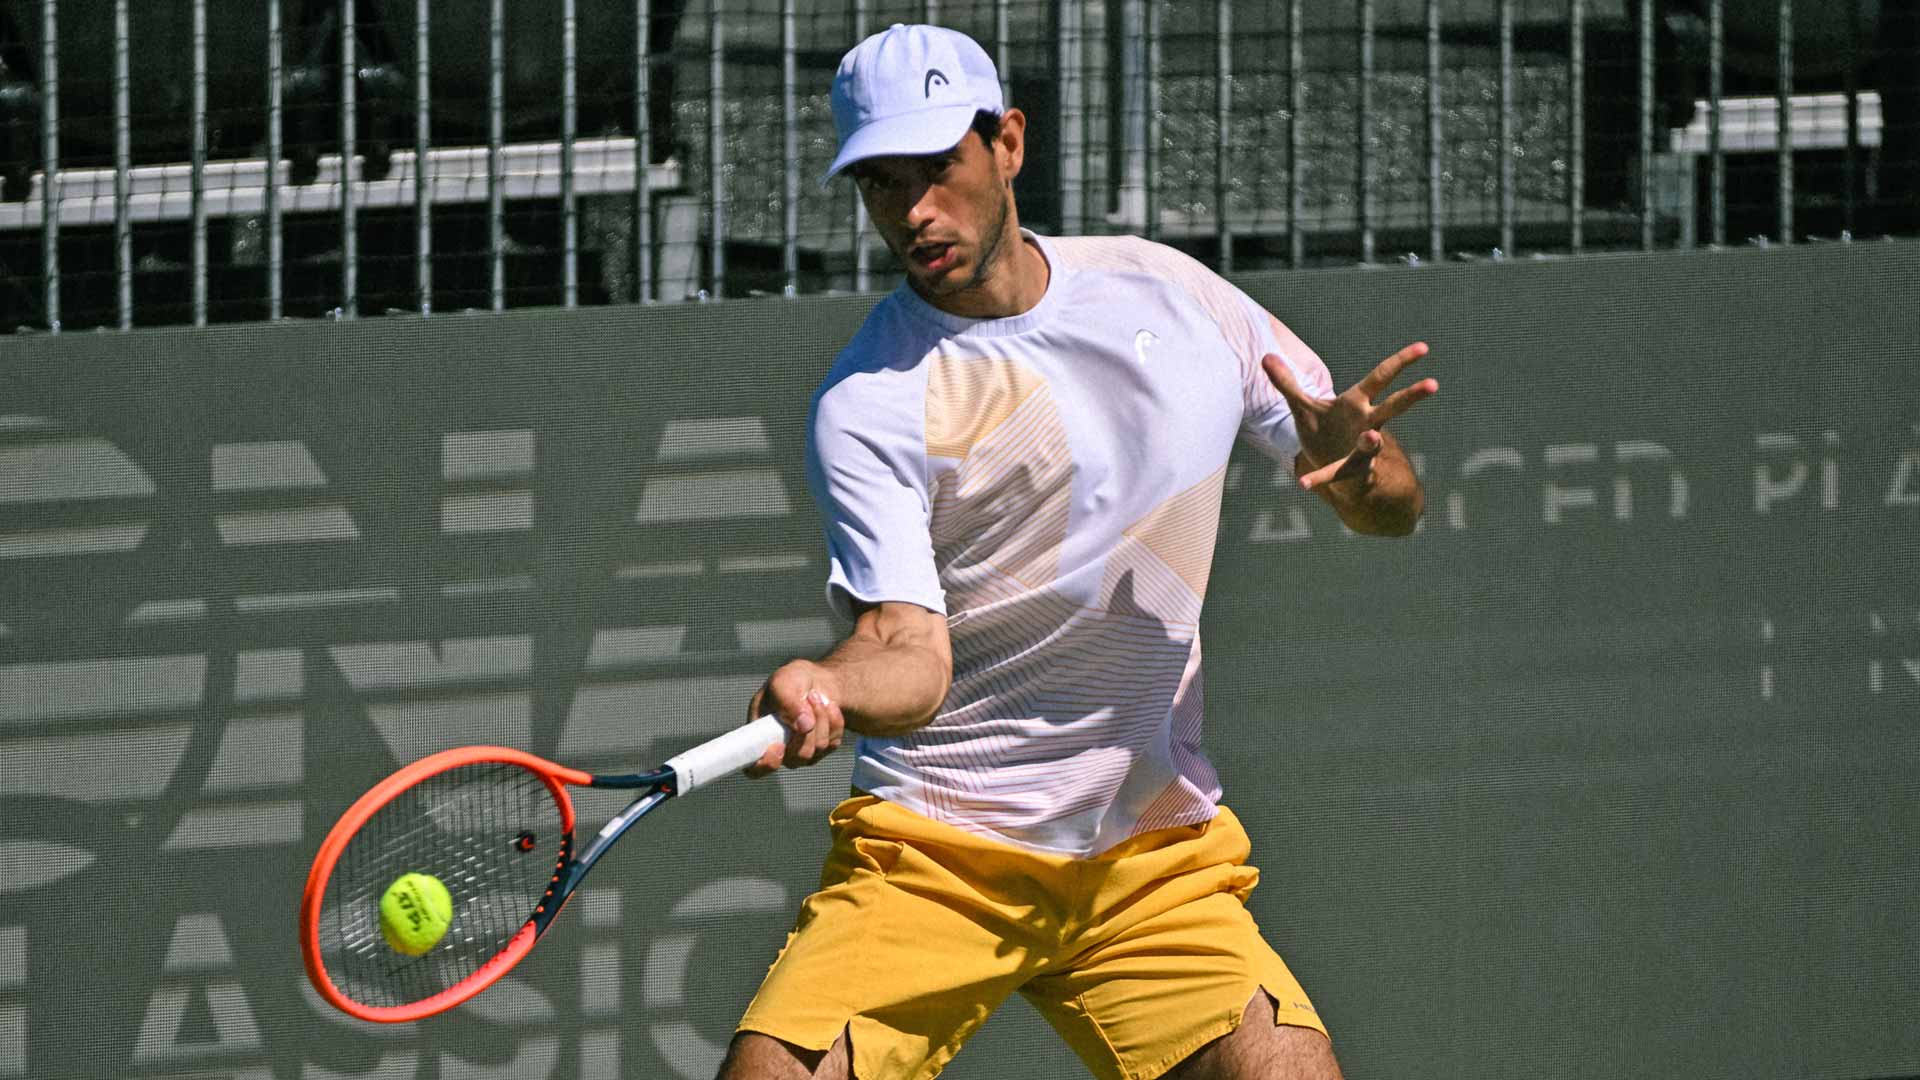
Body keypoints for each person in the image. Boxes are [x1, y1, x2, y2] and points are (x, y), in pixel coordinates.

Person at [719, 23, 1437, 1080]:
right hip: (941, 856)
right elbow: (910, 655)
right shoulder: (868, 402)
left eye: (937, 170)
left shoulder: (1173, 297)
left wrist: (1361, 464)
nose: (914, 211)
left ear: (1008, 144)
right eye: (880, 184)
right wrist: (829, 682)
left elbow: (1396, 511)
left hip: (1150, 860)